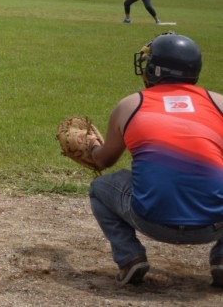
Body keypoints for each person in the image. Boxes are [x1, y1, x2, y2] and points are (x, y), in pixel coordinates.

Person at [88, 32, 223, 287]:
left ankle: (129, 257)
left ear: (154, 70)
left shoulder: (131, 105)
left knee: (100, 188)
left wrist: (93, 147)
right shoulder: (219, 103)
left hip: (150, 220)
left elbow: (103, 161)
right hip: (215, 223)